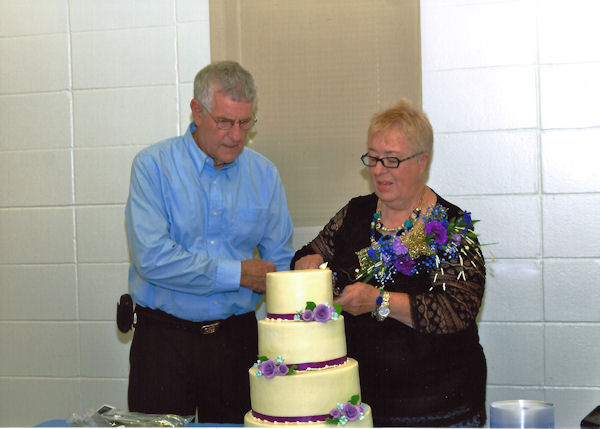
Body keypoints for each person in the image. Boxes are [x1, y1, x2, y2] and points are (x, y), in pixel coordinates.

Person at [292, 99, 487, 427]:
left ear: (422, 160)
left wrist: (378, 302)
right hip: (362, 402)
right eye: (373, 158)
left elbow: (457, 310)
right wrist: (305, 263)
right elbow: (310, 253)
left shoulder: (449, 227)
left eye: (392, 160)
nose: (379, 170)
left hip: (437, 407)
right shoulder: (355, 212)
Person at [125, 61, 295, 423]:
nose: (236, 135)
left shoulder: (263, 174)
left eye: (245, 123)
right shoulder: (153, 167)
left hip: (236, 341)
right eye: (224, 122)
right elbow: (153, 259)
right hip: (163, 340)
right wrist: (238, 275)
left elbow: (279, 262)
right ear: (196, 112)